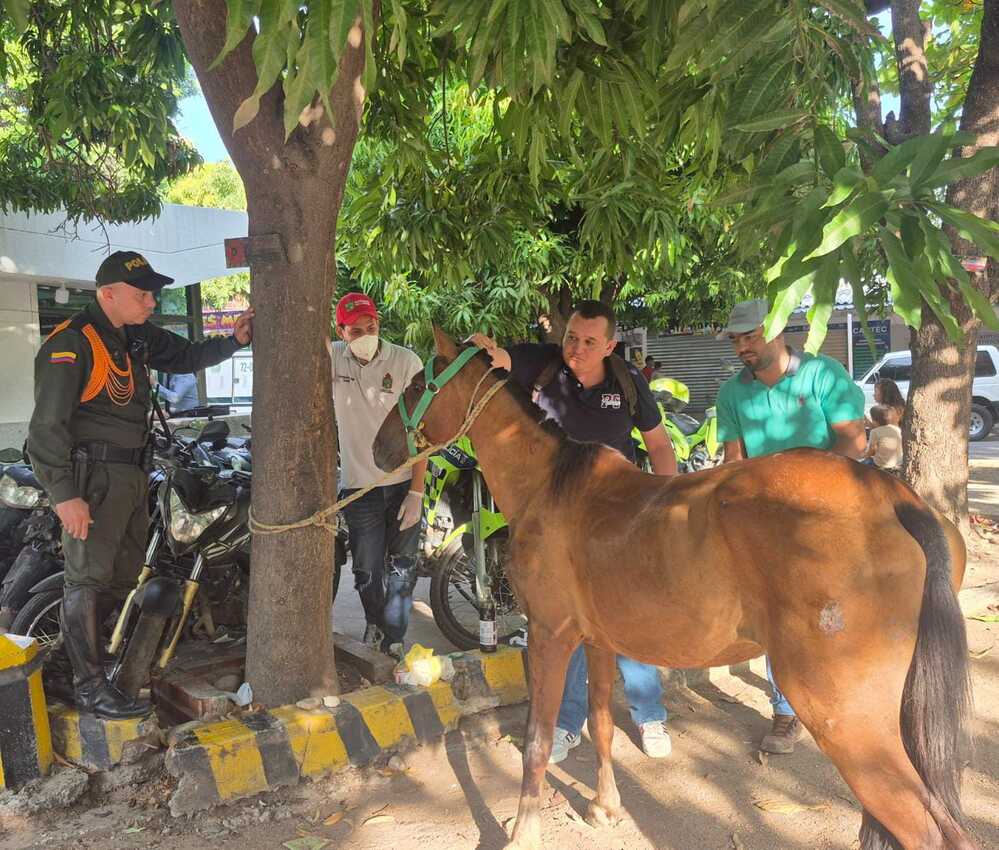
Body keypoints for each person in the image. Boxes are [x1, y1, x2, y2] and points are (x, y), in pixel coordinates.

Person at [27, 251, 253, 719]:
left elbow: (187, 356)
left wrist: (233, 340)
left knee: (123, 575)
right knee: (87, 578)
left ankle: (83, 666)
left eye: (152, 293)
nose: (151, 301)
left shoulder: (133, 337)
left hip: (134, 475)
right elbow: (46, 429)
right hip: (93, 479)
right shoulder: (72, 344)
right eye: (142, 294)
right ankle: (89, 686)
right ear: (107, 294)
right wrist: (64, 494)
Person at [471, 300, 678, 764]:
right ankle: (567, 724)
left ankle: (649, 715)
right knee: (565, 622)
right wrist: (482, 348)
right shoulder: (542, 365)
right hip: (556, 528)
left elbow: (659, 445)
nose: (576, 349)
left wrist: (667, 508)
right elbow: (497, 360)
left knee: (628, 616)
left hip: (619, 522)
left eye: (589, 342)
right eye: (571, 338)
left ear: (609, 345)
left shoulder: (627, 381)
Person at [715, 299, 865, 754]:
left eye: (751, 335)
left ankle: (849, 693)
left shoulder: (823, 375)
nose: (743, 345)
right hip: (767, 523)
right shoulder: (732, 394)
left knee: (836, 610)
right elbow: (733, 462)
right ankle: (786, 710)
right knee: (777, 614)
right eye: (736, 338)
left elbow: (853, 441)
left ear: (777, 329)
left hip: (828, 510)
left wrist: (812, 491)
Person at [329, 292, 426, 660]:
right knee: (367, 569)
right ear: (342, 331)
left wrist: (416, 492)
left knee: (402, 569)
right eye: (356, 330)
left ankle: (395, 639)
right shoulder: (334, 358)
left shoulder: (405, 362)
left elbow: (422, 433)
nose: (366, 335)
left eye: (371, 327)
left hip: (402, 485)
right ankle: (374, 621)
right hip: (359, 489)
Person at [864, 405, 903, 470]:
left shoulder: (874, 432)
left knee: (860, 465)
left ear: (874, 420)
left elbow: (872, 451)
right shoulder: (897, 429)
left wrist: (864, 456)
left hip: (881, 465)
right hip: (897, 463)